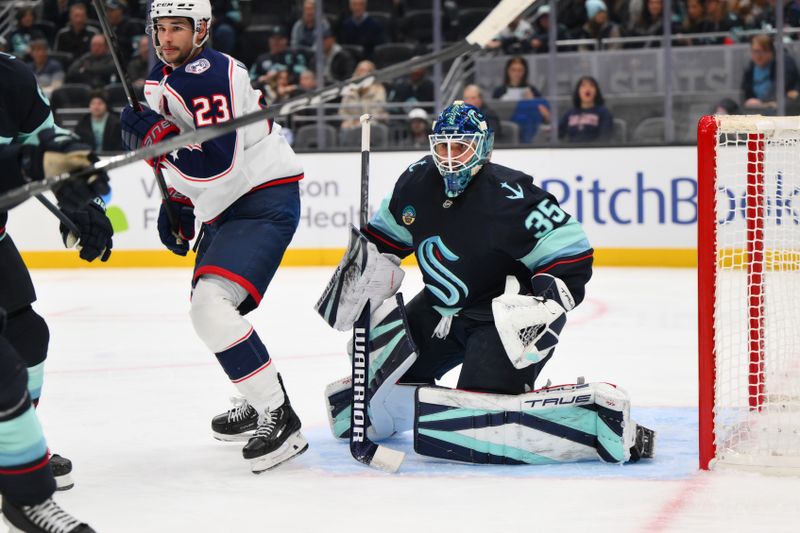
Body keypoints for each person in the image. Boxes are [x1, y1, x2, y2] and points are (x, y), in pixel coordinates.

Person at [317, 102, 652, 464]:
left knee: (474, 413)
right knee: (383, 379)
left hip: (500, 318)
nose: (449, 158)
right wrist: (361, 276)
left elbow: (571, 249)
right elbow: (383, 240)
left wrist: (544, 305)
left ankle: (586, 421)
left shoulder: (510, 194)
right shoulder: (415, 182)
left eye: (459, 147)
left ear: (483, 147)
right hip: (440, 310)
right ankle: (401, 402)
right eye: (442, 146)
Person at [120, 0, 307, 473]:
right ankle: (258, 394)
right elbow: (196, 153)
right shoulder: (165, 78)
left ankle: (280, 417)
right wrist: (181, 203)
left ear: (201, 30)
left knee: (211, 307)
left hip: (260, 199)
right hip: (229, 206)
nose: (166, 39)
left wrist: (158, 142)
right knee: (213, 310)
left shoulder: (205, 74)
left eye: (178, 28)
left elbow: (216, 165)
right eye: (160, 28)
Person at [0, 51, 112, 533]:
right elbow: (26, 157)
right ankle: (24, 493)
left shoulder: (9, 76)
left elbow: (48, 138)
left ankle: (17, 450)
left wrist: (80, 196)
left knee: (28, 337)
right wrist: (29, 162)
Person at [742, 35, 800, 109]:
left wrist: (761, 103)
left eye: (759, 51)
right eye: (754, 51)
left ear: (770, 51)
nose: (757, 55)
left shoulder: (784, 62)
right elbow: (745, 90)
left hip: (781, 104)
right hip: (756, 106)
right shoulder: (751, 66)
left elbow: (780, 86)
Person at [558, 76, 614, 143]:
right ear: (578, 92)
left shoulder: (604, 112)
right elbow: (558, 133)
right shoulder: (569, 113)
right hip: (572, 150)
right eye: (583, 86)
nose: (587, 89)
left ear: (596, 91)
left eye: (591, 85)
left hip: (595, 150)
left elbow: (604, 137)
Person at [249, 26, 307, 90]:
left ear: (286, 40)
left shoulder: (294, 55)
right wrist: (262, 78)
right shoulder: (261, 59)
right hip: (268, 93)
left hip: (291, 91)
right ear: (269, 40)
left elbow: (304, 71)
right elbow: (251, 77)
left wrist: (283, 72)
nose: (276, 42)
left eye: (280, 39)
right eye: (273, 38)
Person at [338, 60, 387, 130]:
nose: (363, 74)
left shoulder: (378, 89)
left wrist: (362, 121)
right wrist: (351, 121)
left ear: (372, 73)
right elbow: (342, 111)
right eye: (361, 70)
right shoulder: (349, 88)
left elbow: (378, 112)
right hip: (352, 124)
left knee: (368, 126)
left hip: (372, 122)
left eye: (367, 71)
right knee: (345, 126)